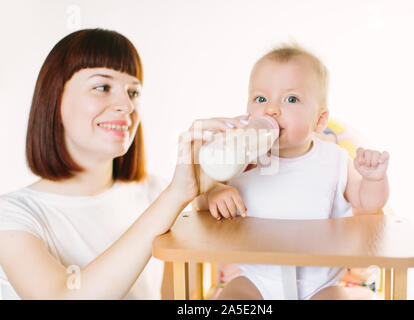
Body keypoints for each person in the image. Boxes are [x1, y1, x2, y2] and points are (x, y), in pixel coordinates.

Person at [0, 28, 248, 300]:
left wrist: (214, 192)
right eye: (102, 87)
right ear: (54, 98)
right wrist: (177, 195)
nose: (126, 106)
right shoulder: (12, 215)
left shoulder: (156, 192)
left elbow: (180, 297)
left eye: (133, 92)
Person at [194, 44, 390, 300]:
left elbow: (368, 204)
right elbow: (198, 202)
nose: (271, 109)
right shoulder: (239, 158)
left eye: (291, 99)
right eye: (261, 99)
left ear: (319, 121)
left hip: (321, 283)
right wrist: (214, 192)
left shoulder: (336, 160)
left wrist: (373, 180)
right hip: (256, 279)